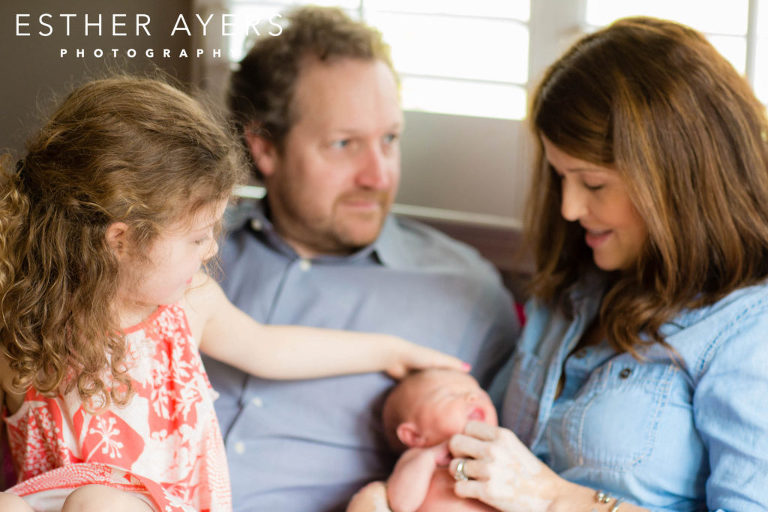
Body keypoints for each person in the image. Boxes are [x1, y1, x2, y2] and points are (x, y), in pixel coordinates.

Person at [0, 76, 468, 512]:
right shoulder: (23, 327)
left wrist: (390, 351)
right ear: (120, 241)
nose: (211, 250)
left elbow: (272, 349)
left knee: (100, 501)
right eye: (197, 237)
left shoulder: (188, 305)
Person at [438, 17, 768, 512]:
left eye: (593, 184)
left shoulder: (748, 330)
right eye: (560, 178)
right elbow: (485, 452)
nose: (569, 209)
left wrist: (552, 497)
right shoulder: (575, 290)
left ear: (679, 182)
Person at [206, 6, 519, 511]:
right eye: (344, 143)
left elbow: (508, 475)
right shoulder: (187, 254)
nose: (378, 176)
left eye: (389, 139)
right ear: (264, 147)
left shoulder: (466, 295)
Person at [348, 369, 497, 512]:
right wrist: (430, 456)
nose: (473, 397)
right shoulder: (418, 459)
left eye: (480, 392)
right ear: (414, 436)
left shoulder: (500, 453)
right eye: (451, 395)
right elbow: (402, 505)